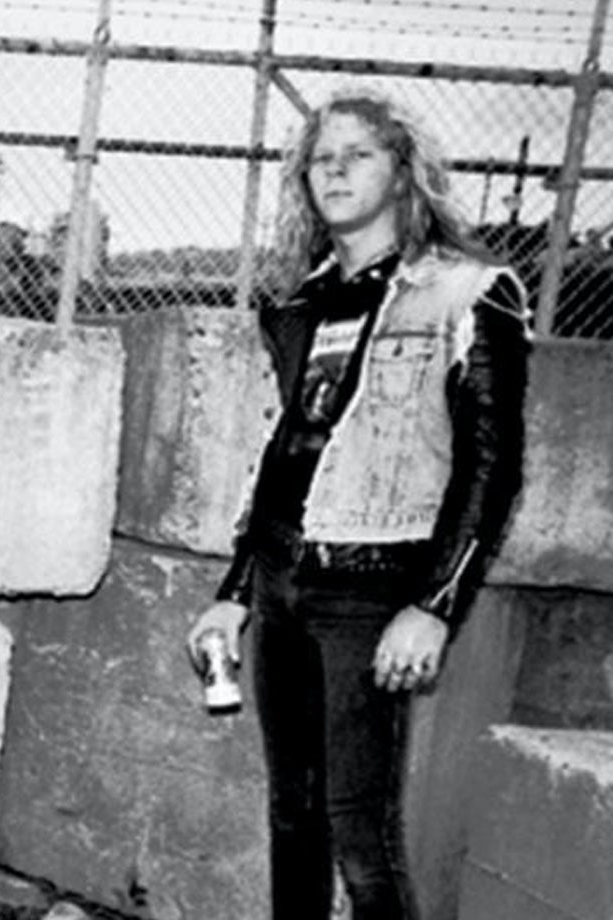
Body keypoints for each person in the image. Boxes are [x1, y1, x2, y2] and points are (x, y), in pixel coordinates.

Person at [187, 89, 528, 920]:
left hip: (371, 588)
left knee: (360, 835)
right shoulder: (302, 302)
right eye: (319, 159)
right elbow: (287, 454)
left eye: (357, 155)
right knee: (293, 815)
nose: (333, 171)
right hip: (283, 579)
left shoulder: (468, 293)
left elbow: (491, 468)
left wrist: (433, 606)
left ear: (403, 171)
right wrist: (236, 593)